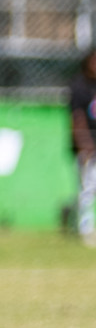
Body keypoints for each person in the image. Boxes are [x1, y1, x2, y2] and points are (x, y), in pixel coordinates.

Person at [70, 49, 96, 247]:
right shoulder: (79, 86)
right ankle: (84, 225)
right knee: (88, 186)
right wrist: (84, 144)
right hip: (87, 146)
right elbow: (77, 118)